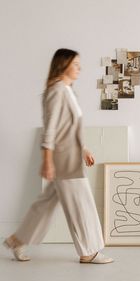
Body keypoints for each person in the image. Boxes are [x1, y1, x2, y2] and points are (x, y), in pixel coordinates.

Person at [3, 48, 114, 264]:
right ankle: (88, 252)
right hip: (64, 160)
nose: (79, 69)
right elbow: (50, 129)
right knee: (81, 204)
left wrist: (83, 149)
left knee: (45, 204)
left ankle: (17, 240)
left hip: (70, 156)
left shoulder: (67, 90)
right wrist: (47, 160)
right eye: (75, 65)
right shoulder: (56, 91)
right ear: (63, 65)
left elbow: (68, 129)